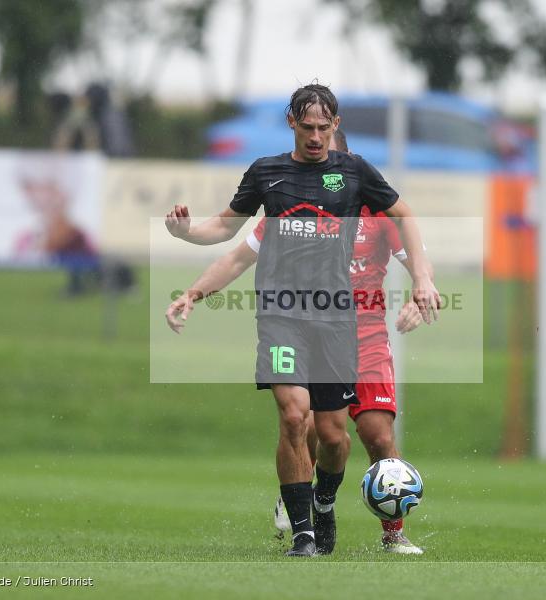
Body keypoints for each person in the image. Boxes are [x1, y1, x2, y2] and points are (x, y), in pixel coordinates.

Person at [165, 83, 440, 557]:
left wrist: (423, 281)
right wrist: (189, 249)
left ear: (335, 127)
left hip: (340, 323)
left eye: (323, 129)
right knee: (295, 416)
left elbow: (406, 217)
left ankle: (326, 502)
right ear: (291, 122)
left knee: (334, 437)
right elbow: (227, 238)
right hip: (282, 314)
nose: (315, 137)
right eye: (307, 127)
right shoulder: (267, 175)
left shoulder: (356, 178)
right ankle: (303, 534)